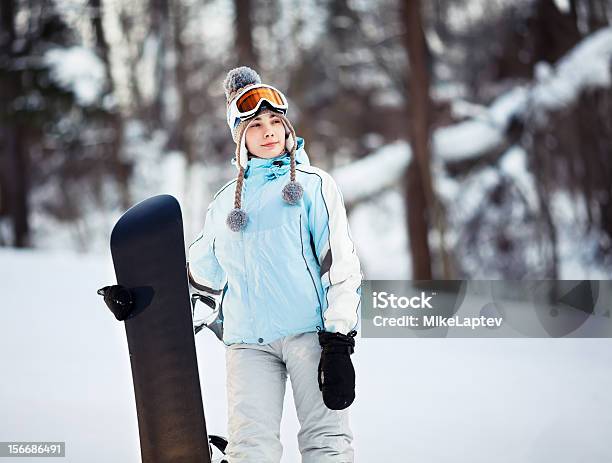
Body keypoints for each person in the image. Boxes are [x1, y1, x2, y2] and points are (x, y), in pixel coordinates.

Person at [100, 66, 362, 463]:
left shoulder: (313, 185)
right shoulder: (224, 203)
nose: (269, 130)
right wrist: (140, 298)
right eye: (255, 124)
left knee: (326, 442)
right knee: (250, 451)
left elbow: (339, 265)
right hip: (247, 344)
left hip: (311, 336)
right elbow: (198, 279)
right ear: (239, 135)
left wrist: (339, 339)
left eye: (275, 121)